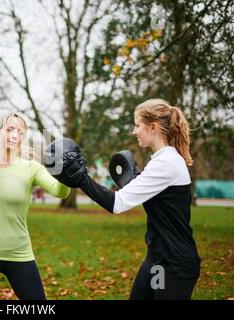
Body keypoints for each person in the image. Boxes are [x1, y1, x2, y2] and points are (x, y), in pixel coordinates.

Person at [44, 99, 201, 300]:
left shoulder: (167, 164)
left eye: (137, 126)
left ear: (153, 128)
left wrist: (81, 178)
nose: (134, 132)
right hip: (158, 260)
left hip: (175, 266)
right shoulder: (162, 161)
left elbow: (116, 203)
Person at [0, 113, 71, 300]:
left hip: (19, 253)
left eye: (20, 132)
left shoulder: (31, 168)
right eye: (9, 129)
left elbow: (60, 192)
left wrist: (65, 175)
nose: (14, 135)